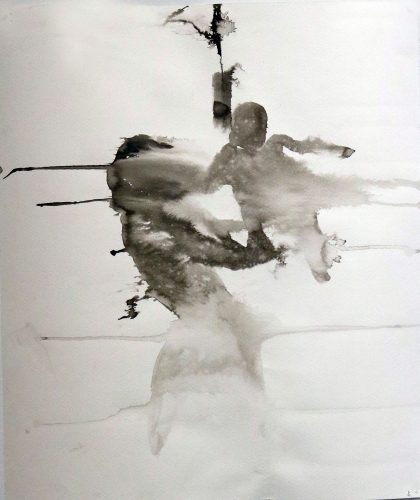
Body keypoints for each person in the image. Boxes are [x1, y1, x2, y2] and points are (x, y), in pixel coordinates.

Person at [205, 102, 356, 281]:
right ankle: (289, 256)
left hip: (281, 204)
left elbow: (304, 147)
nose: (258, 135)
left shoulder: (274, 143)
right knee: (262, 243)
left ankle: (314, 261)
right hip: (257, 213)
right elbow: (210, 184)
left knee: (304, 214)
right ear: (238, 129)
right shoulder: (232, 155)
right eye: (252, 128)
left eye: (262, 128)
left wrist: (336, 150)